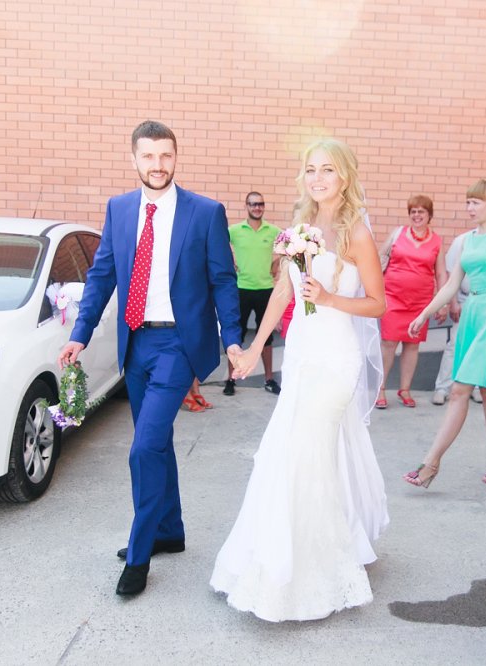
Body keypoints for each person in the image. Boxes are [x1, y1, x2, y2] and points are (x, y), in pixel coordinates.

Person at [58, 120, 242, 598]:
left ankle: (139, 556)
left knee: (143, 448)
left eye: (165, 155)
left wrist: (233, 339)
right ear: (134, 159)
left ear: (175, 157)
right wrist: (80, 334)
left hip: (178, 345)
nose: (157, 165)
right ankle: (169, 531)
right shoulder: (119, 209)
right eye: (148, 156)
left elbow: (223, 280)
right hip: (134, 343)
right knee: (156, 444)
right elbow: (102, 277)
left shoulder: (205, 212)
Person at [210, 138, 389, 621]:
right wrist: (253, 350)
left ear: (344, 176)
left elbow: (377, 303)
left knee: (304, 457)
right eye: (311, 169)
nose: (317, 178)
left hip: (335, 360)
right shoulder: (299, 229)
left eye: (327, 169)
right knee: (289, 453)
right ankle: (275, 557)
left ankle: (317, 573)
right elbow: (282, 293)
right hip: (302, 355)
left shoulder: (356, 233)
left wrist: (329, 298)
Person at [404, 179, 486, 487]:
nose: (469, 207)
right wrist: (424, 313)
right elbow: (451, 285)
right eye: (468, 202)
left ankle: (431, 463)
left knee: (459, 390)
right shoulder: (467, 240)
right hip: (471, 314)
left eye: (476, 202)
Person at [376, 196, 447, 409]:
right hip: (393, 297)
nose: (416, 215)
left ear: (429, 215)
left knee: (412, 345)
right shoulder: (397, 233)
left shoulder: (437, 241)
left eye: (421, 212)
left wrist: (442, 303)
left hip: (420, 303)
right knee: (388, 343)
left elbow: (440, 274)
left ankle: (405, 389)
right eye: (413, 211)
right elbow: (379, 259)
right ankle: (380, 388)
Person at [223, 192, 282, 397]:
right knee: (236, 336)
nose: (257, 207)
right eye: (253, 204)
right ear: (246, 206)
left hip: (265, 289)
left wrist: (276, 263)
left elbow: (290, 247)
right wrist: (229, 263)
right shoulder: (235, 230)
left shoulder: (273, 231)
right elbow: (218, 244)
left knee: (266, 337)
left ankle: (269, 380)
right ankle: (231, 379)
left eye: (260, 204)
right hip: (241, 289)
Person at [431, 230, 482, 406]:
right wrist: (452, 302)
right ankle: (442, 388)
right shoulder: (463, 240)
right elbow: (449, 273)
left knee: (480, 347)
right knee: (454, 344)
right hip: (464, 300)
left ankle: (476, 386)